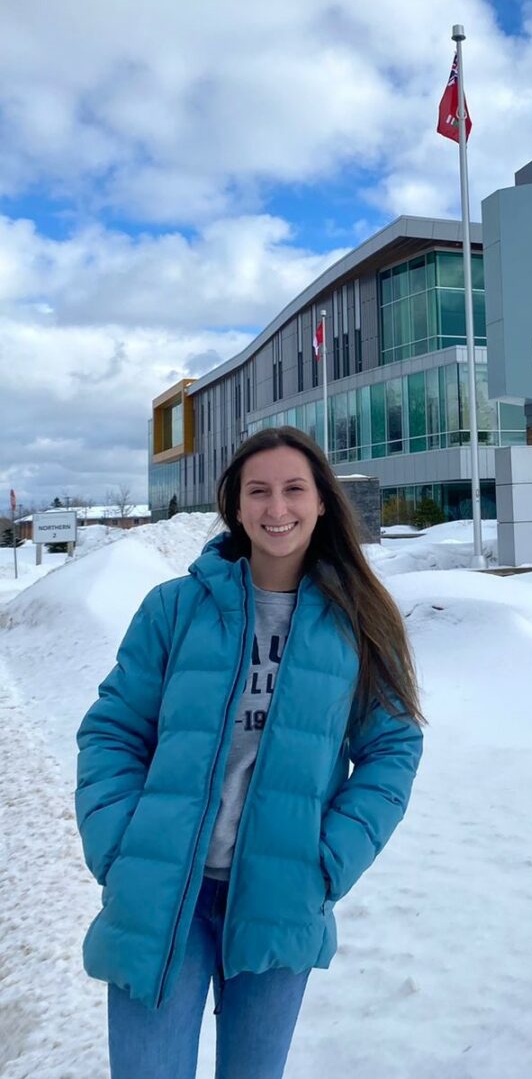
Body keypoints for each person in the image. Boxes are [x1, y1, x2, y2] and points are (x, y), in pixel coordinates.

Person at [75, 427, 424, 1078]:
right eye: (258, 492)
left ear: (322, 502)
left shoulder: (359, 619)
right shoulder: (175, 610)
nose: (277, 508)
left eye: (294, 489)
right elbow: (112, 731)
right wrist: (118, 849)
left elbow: (393, 747)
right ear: (235, 506)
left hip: (280, 895)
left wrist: (326, 864)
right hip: (161, 890)